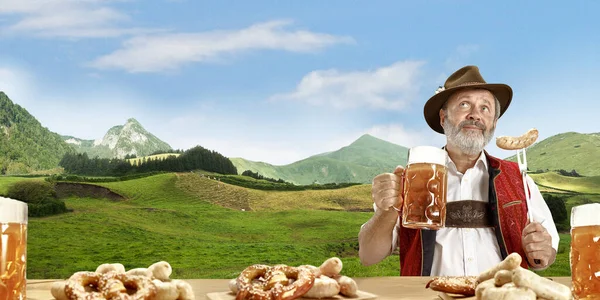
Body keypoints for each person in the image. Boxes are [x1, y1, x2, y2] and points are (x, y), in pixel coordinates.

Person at [357, 65, 559, 276]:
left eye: (485, 108)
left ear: (494, 123)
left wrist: (542, 251)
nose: (475, 115)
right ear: (443, 118)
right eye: (464, 104)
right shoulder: (411, 179)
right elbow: (368, 256)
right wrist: (385, 212)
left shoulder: (519, 178)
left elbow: (546, 254)